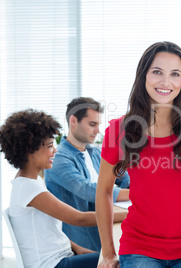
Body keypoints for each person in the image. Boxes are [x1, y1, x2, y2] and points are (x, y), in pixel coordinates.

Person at [96, 41, 181, 268]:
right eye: (157, 72)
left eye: (175, 74)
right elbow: (104, 191)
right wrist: (107, 252)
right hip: (139, 249)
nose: (165, 82)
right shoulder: (119, 130)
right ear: (143, 75)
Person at [0, 109, 123, 267]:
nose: (55, 151)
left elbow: (49, 231)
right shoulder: (29, 188)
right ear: (30, 149)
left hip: (63, 257)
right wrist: (130, 215)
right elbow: (79, 218)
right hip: (54, 264)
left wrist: (79, 249)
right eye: (50, 146)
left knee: (113, 255)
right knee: (124, 259)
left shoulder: (32, 181)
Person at [45, 97, 130, 252]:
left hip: (101, 229)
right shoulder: (59, 159)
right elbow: (89, 190)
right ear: (73, 121)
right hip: (82, 243)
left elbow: (124, 175)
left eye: (98, 125)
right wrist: (135, 194)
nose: (98, 130)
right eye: (92, 124)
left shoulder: (94, 153)